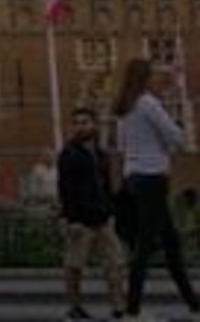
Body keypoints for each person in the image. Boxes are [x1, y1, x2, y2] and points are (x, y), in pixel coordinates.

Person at [112, 57, 200, 321]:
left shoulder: (125, 107)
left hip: (134, 178)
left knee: (171, 245)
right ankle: (132, 312)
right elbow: (176, 137)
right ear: (145, 78)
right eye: (155, 75)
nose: (159, 79)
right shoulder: (148, 104)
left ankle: (196, 307)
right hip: (152, 179)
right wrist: (175, 120)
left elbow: (122, 146)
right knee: (144, 249)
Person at [57, 106, 127, 320]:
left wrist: (111, 209)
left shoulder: (100, 154)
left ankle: (118, 306)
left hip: (103, 217)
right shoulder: (69, 154)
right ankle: (75, 307)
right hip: (81, 220)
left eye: (85, 122)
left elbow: (106, 184)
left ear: (93, 125)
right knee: (75, 266)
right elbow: (65, 188)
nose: (80, 126)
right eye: (77, 122)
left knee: (115, 265)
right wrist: (71, 219)